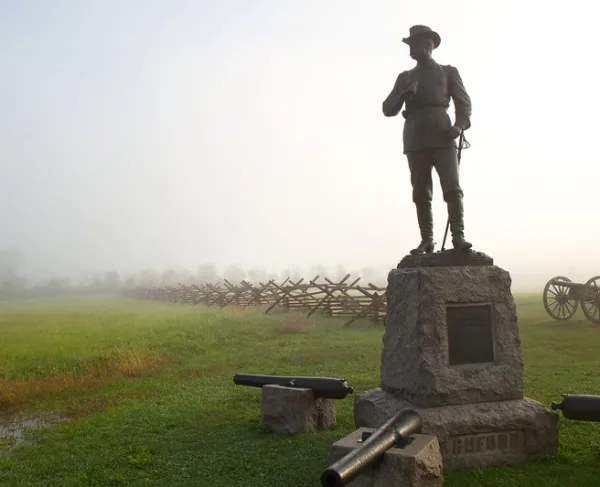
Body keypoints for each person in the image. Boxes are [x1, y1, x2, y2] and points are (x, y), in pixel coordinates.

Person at [382, 25, 473, 254]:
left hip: (443, 136)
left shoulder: (448, 72)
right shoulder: (405, 77)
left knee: (452, 188)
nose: (410, 50)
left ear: (427, 45)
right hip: (415, 138)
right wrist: (404, 95)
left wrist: (459, 126)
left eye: (413, 45)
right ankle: (427, 240)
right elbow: (387, 108)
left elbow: (464, 104)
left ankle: (458, 237)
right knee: (421, 192)